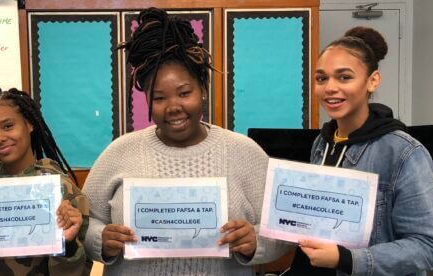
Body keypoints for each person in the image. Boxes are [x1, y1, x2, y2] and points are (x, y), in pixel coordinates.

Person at [81, 7, 290, 275]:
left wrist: (255, 242)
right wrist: (102, 241)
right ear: (147, 102)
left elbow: (283, 229)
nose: (173, 107)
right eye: (159, 98)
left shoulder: (245, 153)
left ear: (202, 90)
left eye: (184, 93)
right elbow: (85, 223)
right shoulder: (120, 152)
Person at [286, 26, 433, 275]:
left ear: (373, 81)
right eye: (321, 78)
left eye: (344, 77)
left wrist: (347, 259)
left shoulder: (403, 153)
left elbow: (427, 247)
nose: (330, 87)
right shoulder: (322, 143)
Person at [0, 88, 91, 275]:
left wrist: (67, 246)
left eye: (8, 126)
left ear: (29, 124)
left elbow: (78, 270)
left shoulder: (61, 189)